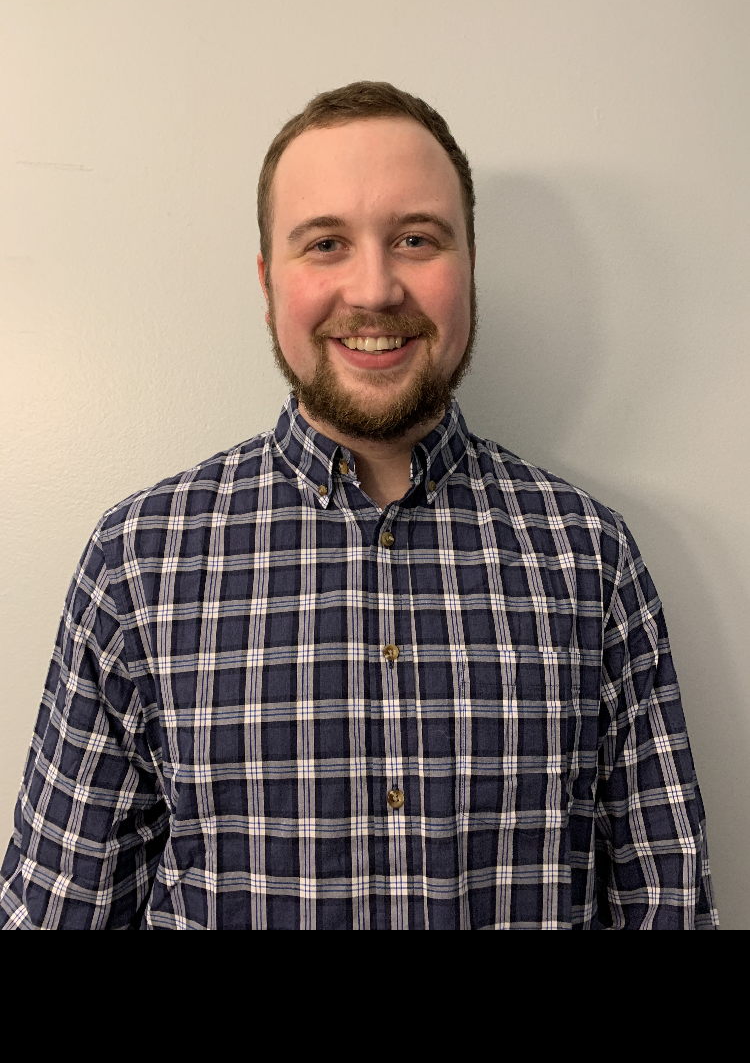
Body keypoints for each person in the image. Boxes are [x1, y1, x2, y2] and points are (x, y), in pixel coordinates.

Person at [0, 81, 719, 929]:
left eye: (416, 239)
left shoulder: (591, 557)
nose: (374, 289)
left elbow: (667, 903)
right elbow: (57, 910)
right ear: (269, 283)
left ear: (469, 268)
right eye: (326, 243)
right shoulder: (138, 562)